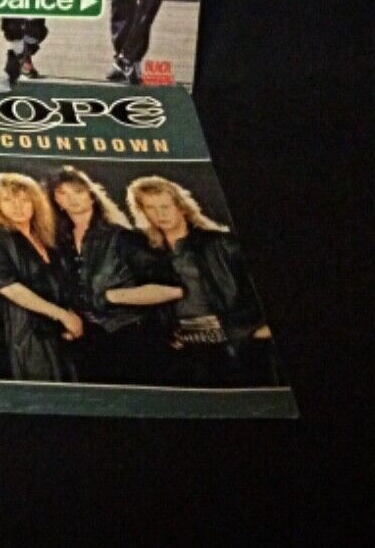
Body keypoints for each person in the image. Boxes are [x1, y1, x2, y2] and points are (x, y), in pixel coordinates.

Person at [127, 175, 278, 387]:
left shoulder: (221, 243)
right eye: (151, 208)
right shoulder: (148, 254)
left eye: (165, 206)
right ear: (142, 211)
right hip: (184, 353)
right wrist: (165, 334)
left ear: (181, 207)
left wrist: (256, 330)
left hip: (233, 347)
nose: (160, 214)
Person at [44, 166, 182, 385]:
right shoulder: (58, 244)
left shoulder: (122, 237)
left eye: (78, 191)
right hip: (89, 345)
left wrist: (113, 296)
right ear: (56, 201)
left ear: (92, 195)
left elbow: (173, 289)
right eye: (63, 193)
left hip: (134, 338)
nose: (72, 199)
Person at [0, 172, 81, 381]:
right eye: (8, 200)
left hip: (55, 337)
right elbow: (6, 285)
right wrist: (62, 315)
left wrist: (67, 319)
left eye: (24, 199)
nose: (18, 206)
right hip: (19, 337)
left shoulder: (45, 239)